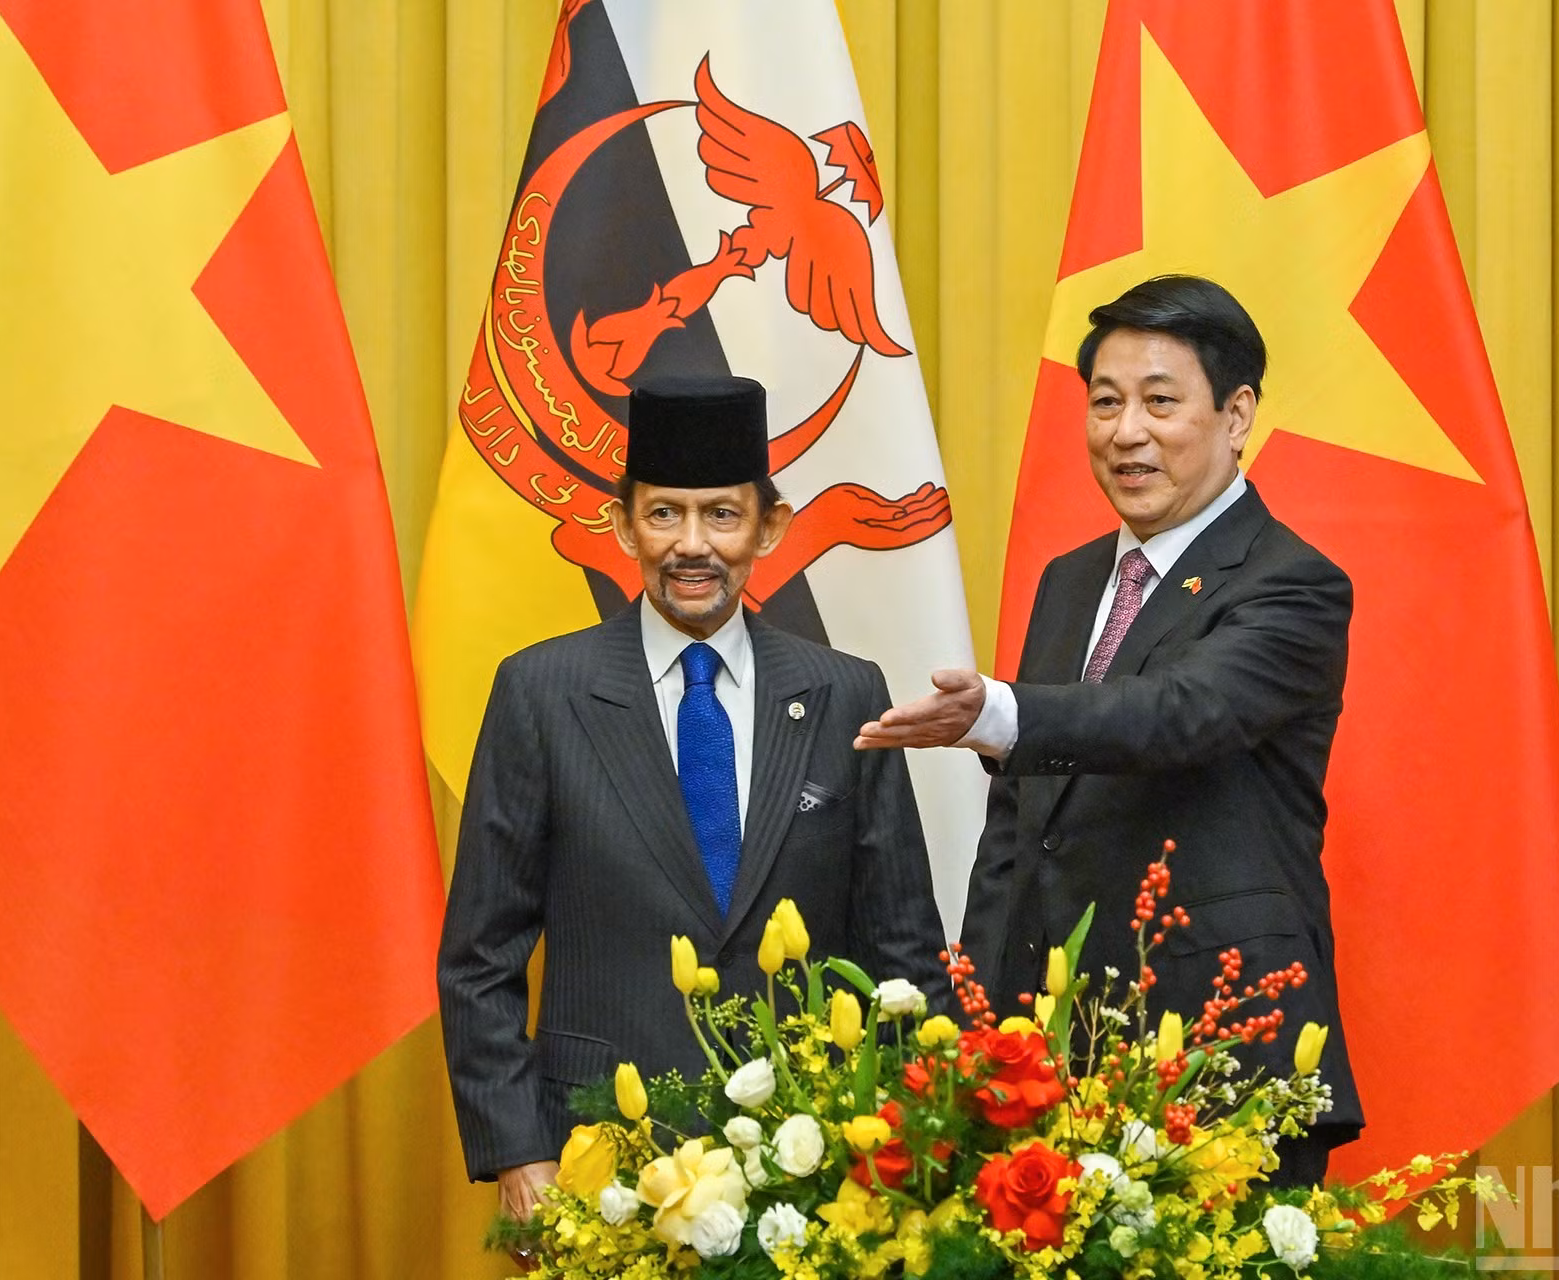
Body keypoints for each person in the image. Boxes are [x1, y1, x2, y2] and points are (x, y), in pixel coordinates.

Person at [855, 275, 1361, 1182]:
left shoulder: (1292, 583)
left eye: (1161, 403)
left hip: (1217, 1048)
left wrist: (1000, 712)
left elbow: (1180, 713)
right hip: (1048, 1058)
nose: (1127, 432)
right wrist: (978, 1024)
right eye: (1106, 403)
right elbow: (1024, 825)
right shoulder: (1072, 579)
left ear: (1237, 414)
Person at [440, 375, 950, 1220]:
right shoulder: (541, 692)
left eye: (721, 513)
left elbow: (903, 948)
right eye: (664, 513)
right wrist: (516, 1150)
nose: (692, 544)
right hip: (598, 1158)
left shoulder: (845, 695)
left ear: (770, 526)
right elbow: (480, 955)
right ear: (622, 523)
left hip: (810, 1163)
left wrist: (916, 1135)